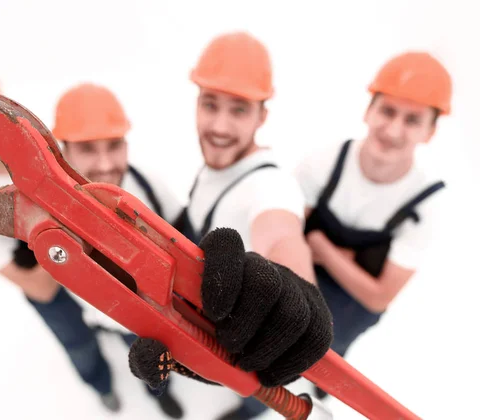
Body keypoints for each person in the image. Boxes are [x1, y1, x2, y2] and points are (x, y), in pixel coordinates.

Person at [0, 50, 182, 417]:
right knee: (79, 345)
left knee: (141, 336)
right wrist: (60, 227)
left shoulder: (53, 152)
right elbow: (40, 286)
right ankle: (101, 387)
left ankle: (158, 391)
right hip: (52, 289)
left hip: (109, 272)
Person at [128, 31, 326, 420]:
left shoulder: (271, 185)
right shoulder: (216, 165)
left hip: (250, 349)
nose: (219, 126)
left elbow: (282, 232)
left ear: (262, 116)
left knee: (261, 380)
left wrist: (299, 289)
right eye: (210, 104)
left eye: (238, 109)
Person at [295, 51, 451, 399]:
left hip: (350, 315)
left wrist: (323, 249)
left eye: (412, 120)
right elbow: (285, 239)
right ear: (369, 110)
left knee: (329, 359)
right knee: (275, 354)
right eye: (388, 111)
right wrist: (346, 265)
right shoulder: (322, 164)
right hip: (301, 282)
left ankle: (322, 381)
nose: (394, 129)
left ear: (430, 131)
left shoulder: (424, 208)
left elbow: (379, 297)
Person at [52, 82, 185, 418]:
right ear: (63, 149)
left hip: (147, 321)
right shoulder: (47, 207)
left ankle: (158, 395)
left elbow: (185, 239)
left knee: (154, 369)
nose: (105, 163)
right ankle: (104, 389)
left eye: (114, 145)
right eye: (86, 148)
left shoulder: (150, 186)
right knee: (85, 353)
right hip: (93, 315)